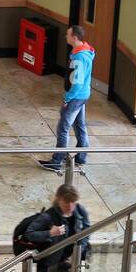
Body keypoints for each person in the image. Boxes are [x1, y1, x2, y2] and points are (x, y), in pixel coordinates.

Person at [20, 183, 91, 272]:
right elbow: (29, 234)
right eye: (66, 202)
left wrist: (78, 250)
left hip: (69, 260)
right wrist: (50, 233)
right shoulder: (48, 217)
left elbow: (86, 233)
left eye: (73, 202)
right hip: (49, 260)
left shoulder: (80, 211)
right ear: (58, 199)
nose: (70, 206)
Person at [43, 26, 95, 174]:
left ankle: (56, 161)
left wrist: (68, 98)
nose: (66, 37)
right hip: (84, 95)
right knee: (79, 126)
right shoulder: (86, 52)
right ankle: (81, 157)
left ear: (75, 37)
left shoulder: (79, 57)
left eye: (68, 35)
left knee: (63, 129)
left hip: (76, 97)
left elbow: (77, 82)